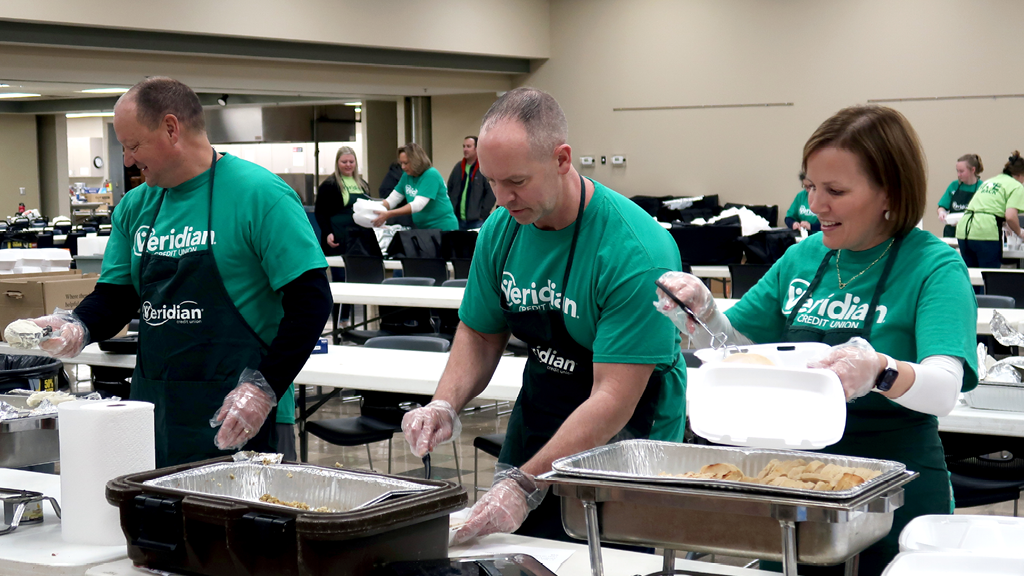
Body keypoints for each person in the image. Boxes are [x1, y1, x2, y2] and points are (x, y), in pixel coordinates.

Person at [657, 105, 978, 575]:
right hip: (800, 490)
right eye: (809, 185)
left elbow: (946, 389)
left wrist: (880, 371)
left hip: (895, 495)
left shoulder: (934, 266)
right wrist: (704, 313)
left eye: (835, 191)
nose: (813, 205)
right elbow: (737, 344)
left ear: (889, 189)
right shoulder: (805, 257)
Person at [401, 88, 687, 545]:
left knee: (606, 559)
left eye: (515, 181)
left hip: (627, 431)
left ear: (561, 159)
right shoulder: (503, 229)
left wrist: (523, 484)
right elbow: (480, 330)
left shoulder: (636, 251)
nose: (502, 198)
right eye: (492, 182)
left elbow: (613, 398)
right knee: (523, 551)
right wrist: (444, 402)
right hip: (542, 410)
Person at [7, 77, 332, 467]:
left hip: (243, 415)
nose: (127, 159)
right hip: (155, 410)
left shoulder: (261, 195)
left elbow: (311, 302)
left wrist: (263, 389)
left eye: (133, 145)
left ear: (171, 128)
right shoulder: (135, 206)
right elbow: (117, 295)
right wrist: (79, 324)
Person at [314, 146, 370, 327]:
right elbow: (320, 213)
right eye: (344, 162)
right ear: (337, 163)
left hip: (357, 240)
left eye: (351, 162)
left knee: (354, 280)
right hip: (337, 239)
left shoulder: (363, 184)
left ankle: (349, 320)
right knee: (339, 281)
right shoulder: (329, 185)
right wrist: (328, 233)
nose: (348, 165)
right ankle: (339, 322)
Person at [955, 152, 1024, 268]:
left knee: (971, 278)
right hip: (985, 232)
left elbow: (987, 206)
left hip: (963, 230)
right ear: (1021, 174)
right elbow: (1011, 216)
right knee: (988, 278)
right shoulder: (1016, 186)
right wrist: (1020, 232)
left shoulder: (990, 181)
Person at [372, 143, 458, 231]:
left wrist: (389, 214)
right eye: (401, 163)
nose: (403, 167)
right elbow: (392, 200)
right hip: (423, 228)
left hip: (443, 227)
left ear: (416, 161)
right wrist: (372, 208)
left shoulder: (431, 174)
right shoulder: (407, 176)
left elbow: (418, 204)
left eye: (406, 163)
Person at [447, 136, 496, 230]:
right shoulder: (458, 167)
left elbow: (491, 193)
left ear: (476, 149)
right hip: (458, 219)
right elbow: (450, 189)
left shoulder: (483, 168)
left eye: (468, 146)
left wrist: (483, 213)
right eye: (464, 146)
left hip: (477, 220)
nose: (465, 149)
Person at [937, 154, 984, 238]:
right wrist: (941, 213)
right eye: (957, 171)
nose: (958, 174)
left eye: (961, 171)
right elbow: (942, 206)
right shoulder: (953, 186)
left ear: (973, 170)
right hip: (952, 233)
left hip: (972, 234)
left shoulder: (982, 188)